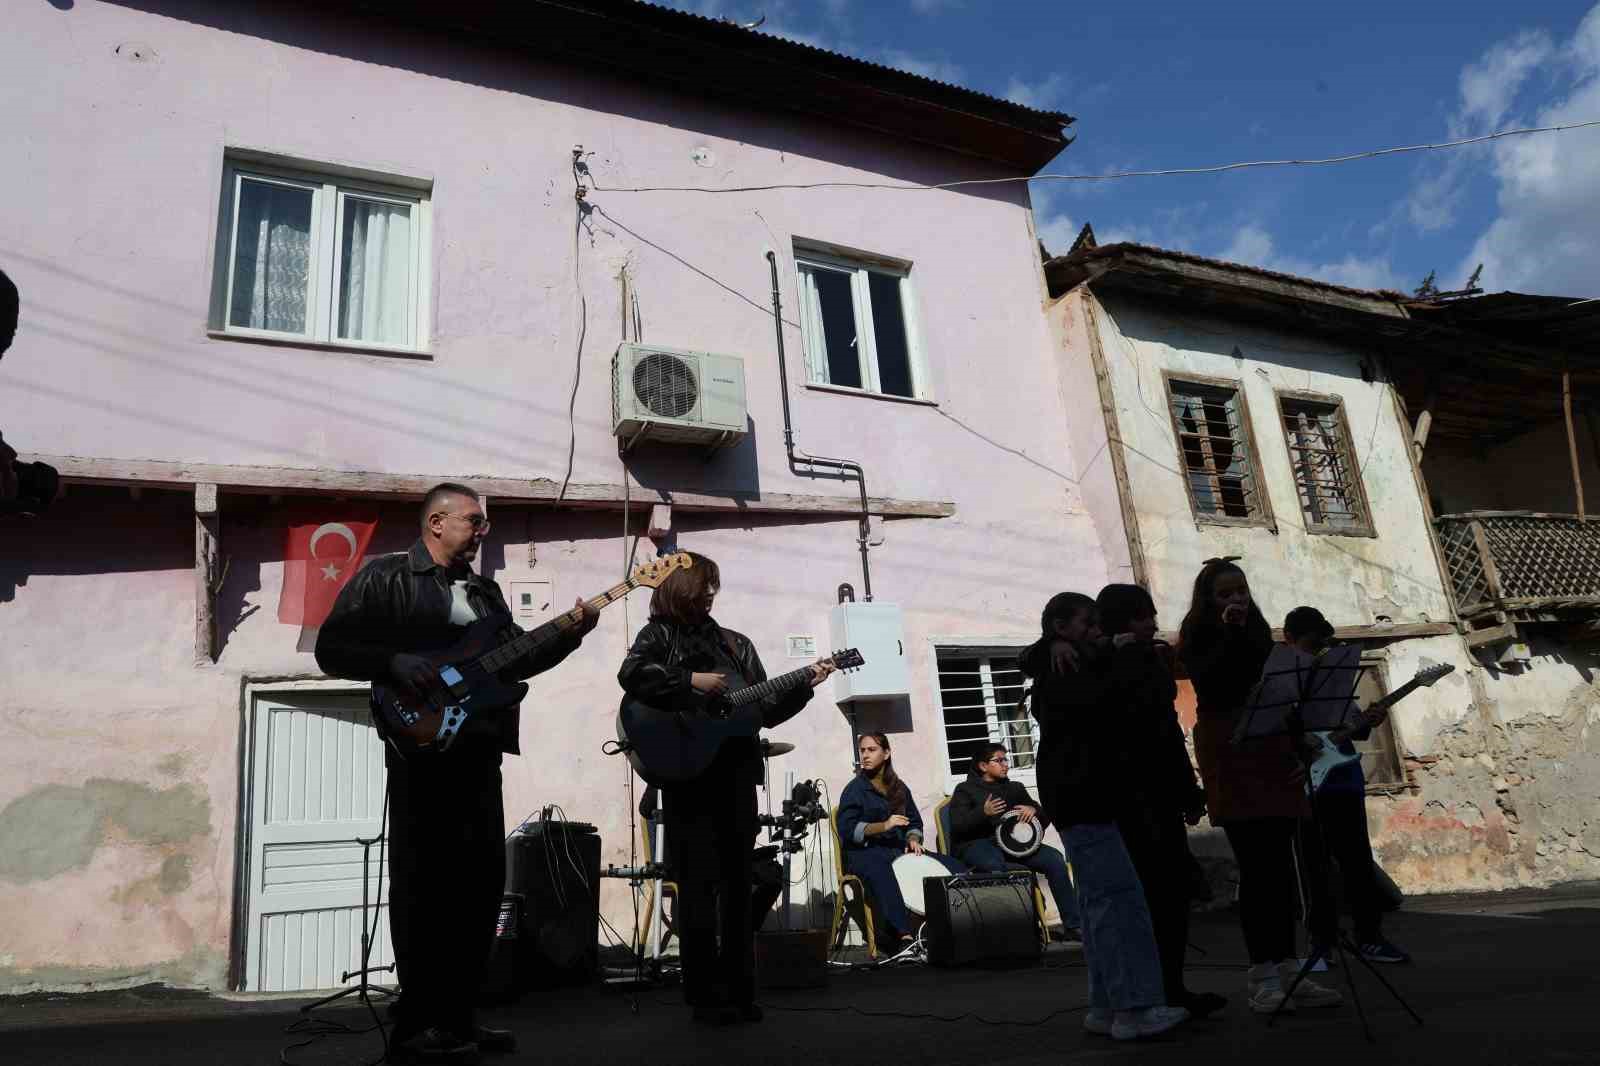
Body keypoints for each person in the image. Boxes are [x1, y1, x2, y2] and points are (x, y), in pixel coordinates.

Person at [316, 483, 599, 1065]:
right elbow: (332, 646)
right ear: (437, 522)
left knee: (479, 890)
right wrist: (392, 660)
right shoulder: (387, 577)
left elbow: (517, 658)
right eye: (475, 520)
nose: (483, 530)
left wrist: (570, 634)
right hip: (422, 756)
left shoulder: (486, 593)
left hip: (479, 752)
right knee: (426, 891)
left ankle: (458, 1018)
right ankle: (416, 1025)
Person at [617, 552, 832, 1025]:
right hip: (687, 776)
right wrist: (689, 680)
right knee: (696, 888)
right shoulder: (659, 636)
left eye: (714, 585)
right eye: (704, 584)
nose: (712, 592)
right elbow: (632, 677)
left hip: (735, 775)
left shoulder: (737, 645)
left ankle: (739, 990)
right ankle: (703, 996)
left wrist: (805, 684)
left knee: (737, 885)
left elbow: (766, 708)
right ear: (682, 588)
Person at [1021, 592, 1190, 1041]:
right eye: (1087, 624)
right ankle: (1135, 1009)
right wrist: (1121, 656)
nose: (1097, 631)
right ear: (1061, 628)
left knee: (1101, 905)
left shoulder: (1063, 660)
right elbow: (1103, 707)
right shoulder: (1068, 667)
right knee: (1120, 902)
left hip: (1078, 795)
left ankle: (1105, 1004)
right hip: (1086, 795)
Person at [1178, 559, 1341, 1014]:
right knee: (1256, 869)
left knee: (1282, 869)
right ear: (1208, 601)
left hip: (1272, 747)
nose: (1237, 600)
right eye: (1225, 594)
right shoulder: (1198, 636)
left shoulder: (1260, 636)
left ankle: (1291, 970)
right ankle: (1262, 977)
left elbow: (1277, 691)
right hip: (1231, 750)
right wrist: (1228, 632)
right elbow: (1211, 681)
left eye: (1242, 591)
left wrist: (1299, 734)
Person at [1095, 583, 1225, 1019]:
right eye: (1142, 617)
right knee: (1161, 898)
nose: (1152, 623)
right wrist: (1185, 788)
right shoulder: (1121, 661)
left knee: (1162, 898)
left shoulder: (1122, 659)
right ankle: (1161, 991)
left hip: (1144, 794)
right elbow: (1161, 731)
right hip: (1141, 795)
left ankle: (1167, 988)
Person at [1282, 606, 1410, 965]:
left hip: (1345, 780)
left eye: (1322, 642)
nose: (1319, 649)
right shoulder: (1282, 676)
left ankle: (1370, 937)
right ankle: (1319, 943)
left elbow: (1352, 725)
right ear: (1289, 640)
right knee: (1314, 866)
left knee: (1357, 863)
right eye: (1310, 644)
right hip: (1306, 783)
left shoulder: (1335, 675)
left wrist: (1369, 720)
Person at [836, 733, 965, 951]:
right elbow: (846, 829)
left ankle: (958, 925)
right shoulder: (855, 789)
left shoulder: (898, 787)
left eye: (872, 750)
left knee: (951, 866)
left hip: (896, 849)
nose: (865, 755)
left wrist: (913, 838)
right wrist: (883, 826)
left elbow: (913, 821)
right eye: (862, 750)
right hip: (864, 854)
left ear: (886, 754)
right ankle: (904, 935)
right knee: (881, 870)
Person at [946, 742, 1081, 940]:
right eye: (999, 760)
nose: (1005, 765)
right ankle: (1012, 929)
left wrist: (1034, 811)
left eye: (1005, 759)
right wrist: (983, 813)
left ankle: (1073, 925)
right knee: (993, 865)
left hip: (1013, 845)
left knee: (1055, 860)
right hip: (977, 844)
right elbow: (958, 826)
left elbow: (1042, 816)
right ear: (983, 766)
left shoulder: (1015, 788)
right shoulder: (965, 790)